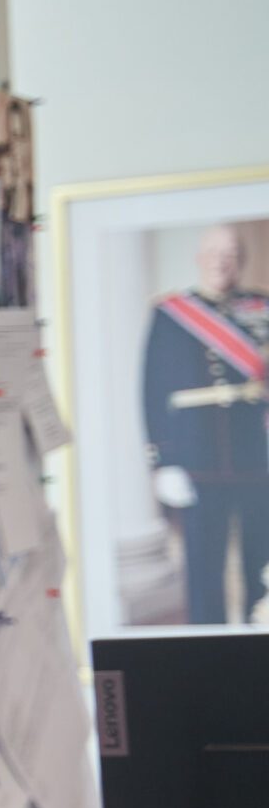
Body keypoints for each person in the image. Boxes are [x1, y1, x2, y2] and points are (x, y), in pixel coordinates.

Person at [140, 223, 269, 624]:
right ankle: (207, 644)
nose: (221, 261)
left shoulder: (262, 308)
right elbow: (151, 389)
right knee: (203, 567)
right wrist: (161, 460)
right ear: (199, 259)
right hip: (197, 455)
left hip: (256, 452)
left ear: (241, 261)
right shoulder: (171, 315)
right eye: (213, 252)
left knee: (261, 561)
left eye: (230, 253)